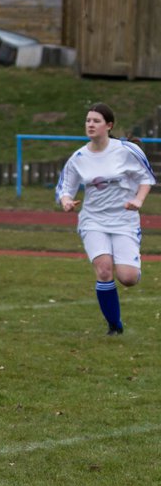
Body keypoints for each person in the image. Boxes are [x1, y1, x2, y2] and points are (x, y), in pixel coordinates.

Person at [56, 103, 154, 335]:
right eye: (88, 120)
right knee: (103, 270)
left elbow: (147, 178)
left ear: (109, 126)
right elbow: (65, 188)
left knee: (128, 278)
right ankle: (114, 325)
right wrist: (67, 202)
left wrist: (139, 201)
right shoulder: (78, 157)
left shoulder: (127, 150)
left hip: (124, 220)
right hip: (93, 221)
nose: (90, 124)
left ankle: (131, 261)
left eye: (96, 121)